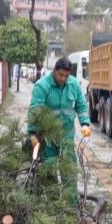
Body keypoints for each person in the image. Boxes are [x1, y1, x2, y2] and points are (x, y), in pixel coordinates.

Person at [27, 58, 92, 204]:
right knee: (49, 171)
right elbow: (35, 110)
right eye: (61, 75)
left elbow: (81, 106)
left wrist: (85, 124)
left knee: (69, 172)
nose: (63, 78)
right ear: (54, 70)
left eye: (66, 76)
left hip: (67, 137)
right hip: (48, 138)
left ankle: (70, 208)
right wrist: (32, 134)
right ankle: (54, 205)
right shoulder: (42, 86)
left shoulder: (74, 84)